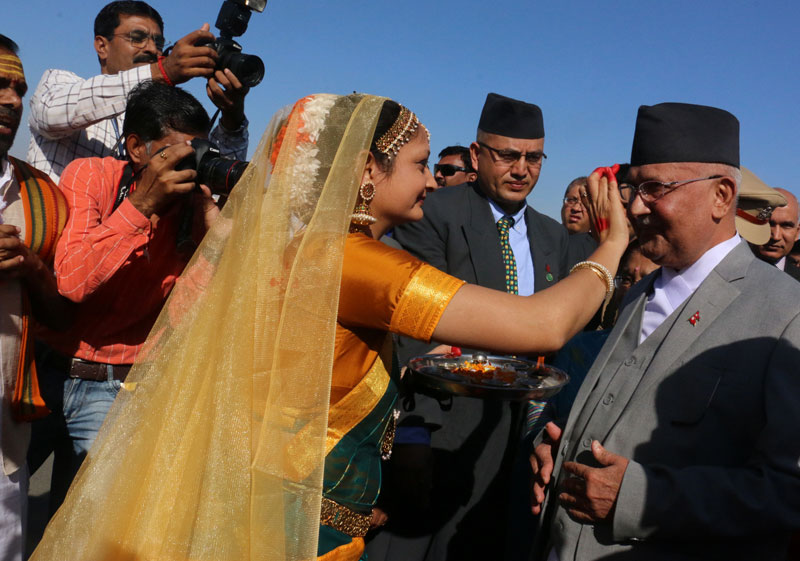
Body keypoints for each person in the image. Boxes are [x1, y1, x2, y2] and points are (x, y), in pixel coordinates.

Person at [28, 93, 628, 561]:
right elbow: (545, 325)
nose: (429, 180)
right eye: (420, 165)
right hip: (296, 528)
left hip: (282, 505)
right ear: (368, 169)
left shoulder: (304, 247)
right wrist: (612, 246)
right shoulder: (352, 262)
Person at [531, 102, 800, 560]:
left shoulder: (785, 315)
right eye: (634, 187)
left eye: (656, 188)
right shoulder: (640, 291)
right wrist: (554, 451)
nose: (635, 206)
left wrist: (639, 498)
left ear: (721, 196)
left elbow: (787, 493)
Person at [384, 93, 570, 560]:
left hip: (520, 439)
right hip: (443, 431)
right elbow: (410, 331)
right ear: (476, 154)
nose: (521, 169)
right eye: (508, 155)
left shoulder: (554, 237)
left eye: (533, 157)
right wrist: (413, 434)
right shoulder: (436, 214)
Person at [29, 81, 222, 517]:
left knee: (83, 529)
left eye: (199, 151)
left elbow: (183, 319)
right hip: (45, 372)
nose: (192, 165)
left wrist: (215, 244)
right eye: (179, 152)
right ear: (137, 148)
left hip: (114, 388)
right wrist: (140, 206)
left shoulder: (192, 212)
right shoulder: (92, 176)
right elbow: (72, 281)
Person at [27, 0, 249, 182]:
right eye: (138, 38)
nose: (152, 49)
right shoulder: (59, 83)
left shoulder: (160, 120)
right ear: (102, 46)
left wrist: (232, 118)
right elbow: (50, 113)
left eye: (158, 42)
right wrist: (163, 71)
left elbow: (212, 179)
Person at [0, 35, 71, 561]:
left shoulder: (43, 197)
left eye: (19, 88)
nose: (12, 100)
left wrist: (33, 268)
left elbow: (61, 313)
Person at [751, 187, 800, 281]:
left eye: (786, 226)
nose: (776, 236)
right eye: (769, 224)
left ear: (797, 232)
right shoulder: (724, 270)